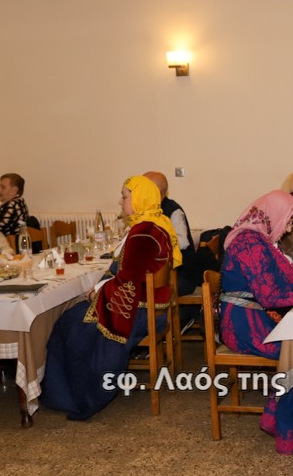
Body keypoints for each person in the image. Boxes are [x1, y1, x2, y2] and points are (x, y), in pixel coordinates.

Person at [41, 176, 178, 420]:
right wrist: (100, 288)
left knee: (70, 324)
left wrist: (98, 292)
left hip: (141, 312)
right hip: (149, 307)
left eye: (125, 196)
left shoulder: (144, 233)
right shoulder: (153, 225)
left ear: (139, 199)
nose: (120, 201)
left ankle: (77, 397)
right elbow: (128, 275)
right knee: (73, 316)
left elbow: (128, 282)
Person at [219, 190, 293, 454]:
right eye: (288, 219)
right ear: (273, 214)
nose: (288, 227)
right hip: (244, 323)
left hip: (257, 315)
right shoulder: (249, 243)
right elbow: (270, 296)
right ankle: (290, 424)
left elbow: (284, 282)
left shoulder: (261, 241)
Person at [144, 170, 203, 302]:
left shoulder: (173, 210)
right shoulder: (145, 211)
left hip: (180, 275)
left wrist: (154, 245)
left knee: (138, 290)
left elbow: (182, 242)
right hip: (156, 272)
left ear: (156, 189)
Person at [0, 173, 28, 238]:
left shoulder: (11, 206)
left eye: (3, 187)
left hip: (7, 243)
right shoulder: (19, 202)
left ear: (14, 190)